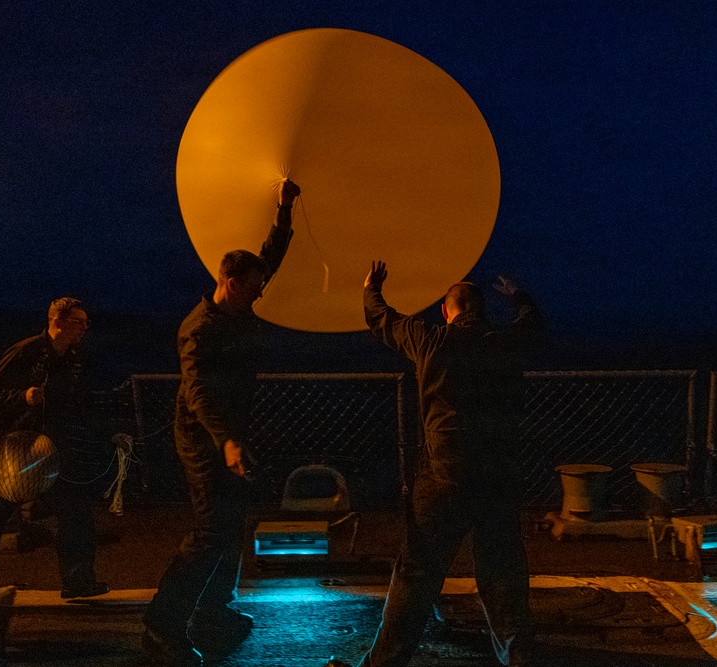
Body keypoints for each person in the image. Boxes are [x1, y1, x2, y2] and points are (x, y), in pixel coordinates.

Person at [327, 261, 543, 667]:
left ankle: (384, 663)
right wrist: (518, 295)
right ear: (481, 309)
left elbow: (381, 319)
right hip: (498, 475)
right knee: (502, 575)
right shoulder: (504, 343)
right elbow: (532, 323)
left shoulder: (431, 341)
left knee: (416, 572)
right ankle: (520, 659)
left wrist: (371, 287)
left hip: (444, 473)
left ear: (446, 310)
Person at [142, 179, 300, 667]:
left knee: (232, 526)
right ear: (231, 283)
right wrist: (226, 440)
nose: (261, 292)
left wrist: (284, 209)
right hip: (202, 436)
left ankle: (213, 611)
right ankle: (161, 626)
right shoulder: (199, 330)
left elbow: (270, 257)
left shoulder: (238, 303)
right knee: (211, 529)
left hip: (232, 434)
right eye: (254, 287)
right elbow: (197, 393)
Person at [0, 297, 113, 599]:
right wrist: (22, 397)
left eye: (86, 322)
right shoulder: (27, 351)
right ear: (57, 321)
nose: (85, 328)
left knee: (75, 510)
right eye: (79, 322)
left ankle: (78, 582)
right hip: (12, 448)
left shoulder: (76, 357)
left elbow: (81, 400)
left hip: (52, 447)